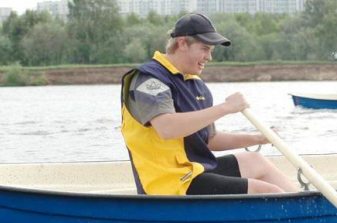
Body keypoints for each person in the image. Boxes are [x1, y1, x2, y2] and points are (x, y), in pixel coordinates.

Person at [120, 13, 299, 196]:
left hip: (194, 172)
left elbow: (208, 139)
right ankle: (294, 219)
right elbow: (167, 128)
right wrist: (225, 108)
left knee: (256, 161)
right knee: (268, 192)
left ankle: (309, 211)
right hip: (168, 184)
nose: (209, 57)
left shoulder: (196, 85)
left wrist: (259, 138)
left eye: (211, 50)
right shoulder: (148, 79)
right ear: (182, 43)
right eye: (204, 49)